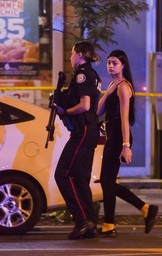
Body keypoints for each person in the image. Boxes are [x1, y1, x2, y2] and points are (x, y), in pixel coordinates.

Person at [97, 49, 158, 237]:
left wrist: (126, 146)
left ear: (123, 65)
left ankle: (112, 222)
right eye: (108, 62)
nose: (110, 66)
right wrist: (106, 93)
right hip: (113, 136)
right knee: (107, 181)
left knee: (107, 181)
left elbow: (124, 119)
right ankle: (142, 210)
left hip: (119, 138)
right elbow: (98, 112)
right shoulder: (113, 85)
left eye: (114, 63)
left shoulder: (124, 87)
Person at [54, 41, 102, 240]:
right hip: (89, 129)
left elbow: (84, 105)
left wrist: (64, 110)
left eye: (72, 54)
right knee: (81, 178)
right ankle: (89, 223)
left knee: (63, 174)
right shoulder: (92, 74)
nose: (70, 57)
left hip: (82, 131)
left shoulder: (82, 75)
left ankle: (83, 221)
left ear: (81, 54)